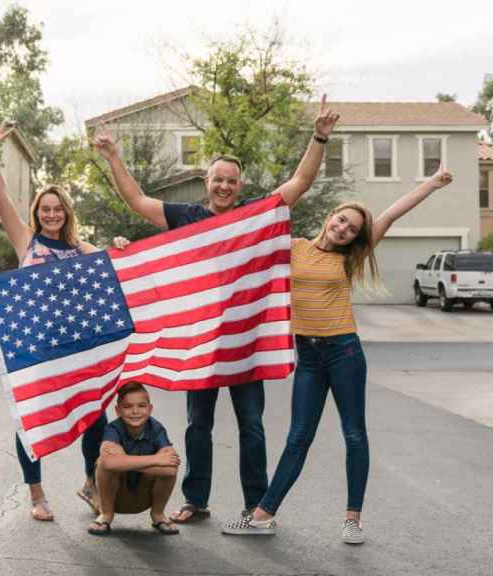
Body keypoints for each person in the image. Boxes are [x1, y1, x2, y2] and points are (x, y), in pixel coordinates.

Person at [91, 97, 340, 528]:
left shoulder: (253, 216)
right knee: (197, 425)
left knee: (252, 426)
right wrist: (114, 156)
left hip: (245, 343)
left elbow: (300, 181)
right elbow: (136, 200)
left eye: (232, 181)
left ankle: (255, 504)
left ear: (240, 186)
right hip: (201, 343)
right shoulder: (186, 217)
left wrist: (318, 136)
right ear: (207, 181)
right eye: (218, 179)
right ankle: (196, 498)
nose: (224, 186)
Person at [222, 169, 455, 543]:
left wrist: (430, 184)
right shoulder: (294, 247)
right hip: (309, 357)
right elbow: (249, 239)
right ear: (331, 216)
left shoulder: (352, 257)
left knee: (354, 434)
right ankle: (263, 514)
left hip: (344, 352)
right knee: (298, 436)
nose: (344, 228)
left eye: (352, 228)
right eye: (342, 219)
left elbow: (392, 214)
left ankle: (352, 519)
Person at [0, 121, 118, 521]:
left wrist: (123, 247)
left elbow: (115, 263)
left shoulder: (80, 249)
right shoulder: (27, 241)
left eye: (58, 208)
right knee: (33, 419)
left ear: (67, 212)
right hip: (38, 347)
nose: (51, 214)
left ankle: (91, 483)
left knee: (95, 414)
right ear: (37, 213)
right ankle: (37, 494)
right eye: (45, 209)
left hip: (79, 346)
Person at [87, 382, 180, 536]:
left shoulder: (157, 429)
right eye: (128, 406)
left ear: (150, 409)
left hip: (144, 496)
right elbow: (109, 463)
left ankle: (158, 515)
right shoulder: (113, 429)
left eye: (142, 406)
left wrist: (124, 462)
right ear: (118, 410)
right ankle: (106, 515)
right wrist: (156, 460)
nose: (135, 411)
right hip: (116, 497)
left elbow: (171, 467)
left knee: (166, 471)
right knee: (103, 464)